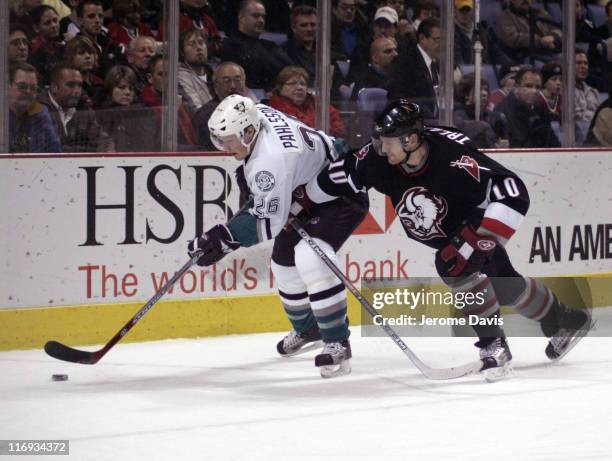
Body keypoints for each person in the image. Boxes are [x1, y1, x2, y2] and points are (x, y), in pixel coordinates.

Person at [307, 100, 593, 380]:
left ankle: (493, 346)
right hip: (446, 229)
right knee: (505, 284)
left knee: (455, 266)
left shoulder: (453, 158)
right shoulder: (377, 160)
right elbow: (337, 176)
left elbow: (512, 190)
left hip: (475, 220)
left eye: (389, 140)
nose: (382, 147)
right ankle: (566, 319)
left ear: (410, 140)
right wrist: (301, 200)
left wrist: (485, 238)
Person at [187, 94, 368, 378]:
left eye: (228, 140)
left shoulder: (271, 161)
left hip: (339, 190)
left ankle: (336, 341)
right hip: (306, 187)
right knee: (283, 263)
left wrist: (224, 237)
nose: (223, 148)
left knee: (311, 256)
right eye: (219, 141)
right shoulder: (255, 113)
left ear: (248, 132)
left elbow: (269, 222)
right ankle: (309, 329)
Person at [219, 0, 293, 90]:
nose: (261, 20)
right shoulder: (230, 46)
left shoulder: (271, 46)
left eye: (263, 17)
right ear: (241, 17)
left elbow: (292, 71)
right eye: (256, 16)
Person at [40, 64, 114, 152]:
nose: (77, 91)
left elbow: (104, 141)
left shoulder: (85, 111)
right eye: (71, 85)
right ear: (54, 87)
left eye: (79, 86)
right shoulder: (38, 110)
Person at [268, 66, 346, 138]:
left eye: (303, 84)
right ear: (280, 88)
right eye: (292, 83)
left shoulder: (318, 104)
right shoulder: (274, 108)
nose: (299, 87)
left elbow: (340, 130)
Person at [192, 61, 254, 150]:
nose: (233, 86)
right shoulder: (208, 115)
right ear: (216, 87)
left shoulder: (252, 108)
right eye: (226, 81)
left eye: (237, 80)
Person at [388, 18, 441, 118]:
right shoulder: (406, 62)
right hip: (416, 122)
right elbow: (400, 98)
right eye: (437, 40)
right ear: (422, 38)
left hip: (438, 120)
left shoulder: (436, 63)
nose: (442, 44)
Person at [97, 65, 158, 151]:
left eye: (131, 89)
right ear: (110, 89)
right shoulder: (100, 115)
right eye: (122, 87)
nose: (127, 92)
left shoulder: (144, 114)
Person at [495, 66, 560, 148]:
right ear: (516, 87)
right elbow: (518, 144)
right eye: (528, 86)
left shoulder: (540, 108)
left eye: (538, 87)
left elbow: (553, 142)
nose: (534, 91)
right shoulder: (504, 110)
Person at [9, 62, 61, 153]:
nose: (28, 91)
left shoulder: (41, 112)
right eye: (22, 86)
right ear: (7, 86)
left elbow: (54, 151)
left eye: (33, 88)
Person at [178, 28, 213, 116]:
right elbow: (197, 111)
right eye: (192, 44)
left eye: (201, 43)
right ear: (182, 52)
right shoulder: (180, 76)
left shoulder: (215, 73)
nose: (198, 47)